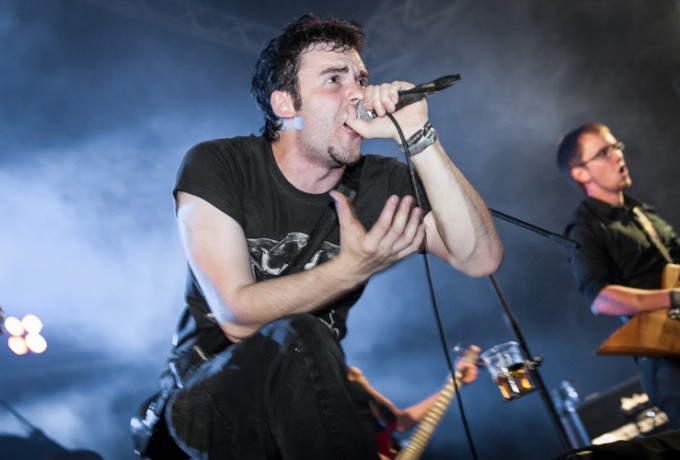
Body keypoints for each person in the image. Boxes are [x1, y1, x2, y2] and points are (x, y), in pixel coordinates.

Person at [156, 14, 502, 459]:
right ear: (286, 104)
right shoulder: (221, 164)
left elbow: (480, 258)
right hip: (208, 394)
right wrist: (351, 269)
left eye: (361, 79)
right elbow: (236, 315)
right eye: (334, 80)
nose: (357, 93)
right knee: (299, 332)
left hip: (306, 397)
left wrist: (419, 137)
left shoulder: (381, 182)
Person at [556, 122, 680, 429]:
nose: (617, 155)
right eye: (603, 152)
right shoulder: (585, 229)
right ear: (580, 173)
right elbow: (601, 299)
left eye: (616, 147)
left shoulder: (641, 211)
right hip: (666, 363)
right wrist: (673, 297)